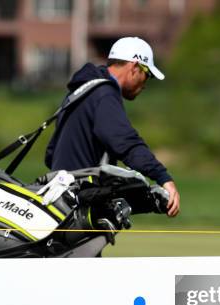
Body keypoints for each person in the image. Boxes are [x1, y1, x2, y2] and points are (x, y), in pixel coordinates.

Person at [45, 37, 180, 217]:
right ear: (134, 67)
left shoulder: (84, 89)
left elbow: (51, 153)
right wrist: (163, 178)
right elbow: (125, 143)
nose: (145, 84)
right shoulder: (104, 94)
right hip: (76, 207)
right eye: (147, 75)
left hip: (57, 200)